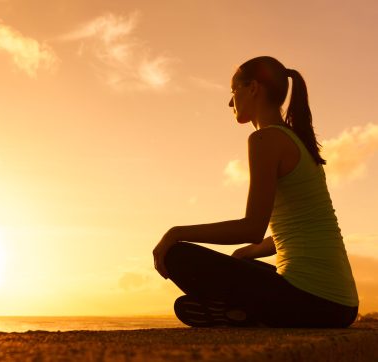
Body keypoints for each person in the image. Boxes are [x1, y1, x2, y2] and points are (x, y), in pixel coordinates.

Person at [152, 56, 359, 328]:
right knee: (241, 267)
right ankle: (238, 313)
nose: (230, 102)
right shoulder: (297, 140)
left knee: (176, 254)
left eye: (233, 91)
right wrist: (248, 253)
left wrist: (175, 233)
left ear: (253, 88)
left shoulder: (265, 139)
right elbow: (297, 229)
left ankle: (241, 312)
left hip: (314, 302)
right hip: (341, 305)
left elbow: (251, 228)